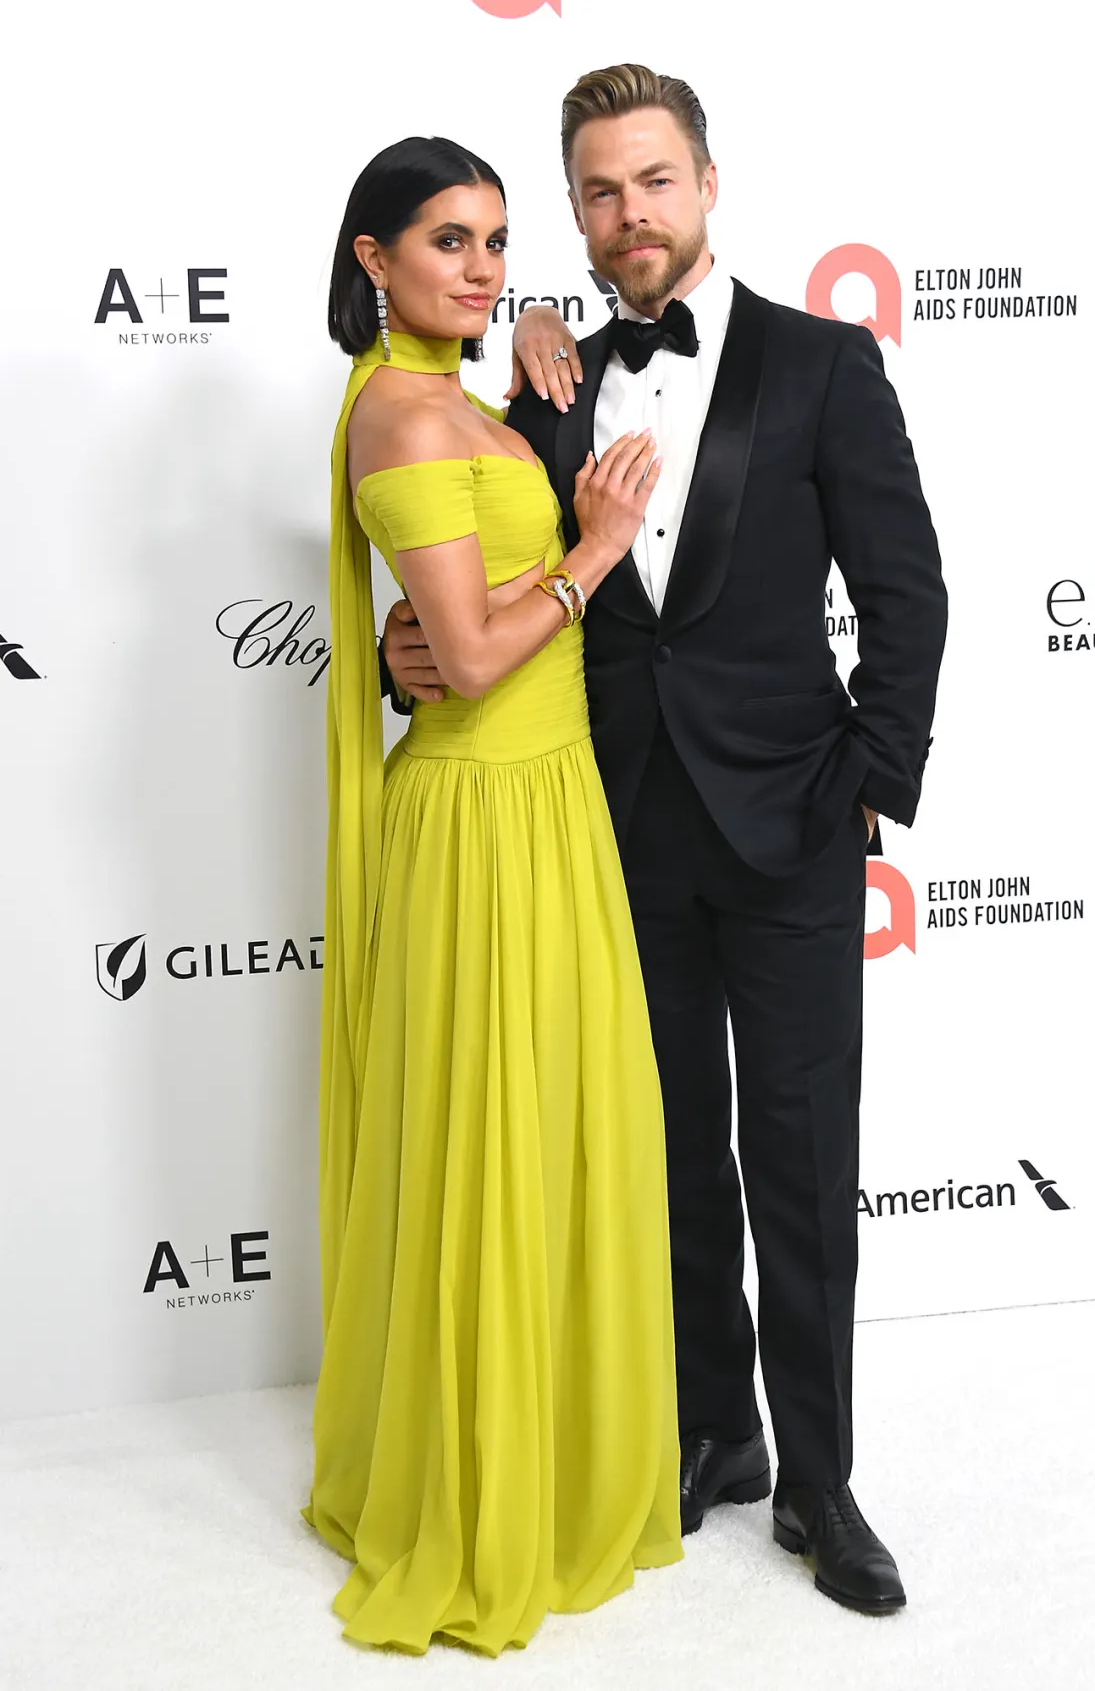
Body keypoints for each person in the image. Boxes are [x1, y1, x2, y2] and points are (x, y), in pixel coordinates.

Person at [384, 67, 948, 1617]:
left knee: (801, 1160)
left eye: (652, 180)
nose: (628, 213)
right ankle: (717, 1429)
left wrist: (868, 785)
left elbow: (907, 593)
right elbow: (480, 582)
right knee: (670, 1152)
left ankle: (823, 1482)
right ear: (576, 213)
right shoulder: (546, 387)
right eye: (598, 191)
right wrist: (397, 660)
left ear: (705, 183)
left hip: (791, 832)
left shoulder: (823, 363)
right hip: (612, 830)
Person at [302, 135, 682, 1657]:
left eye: (499, 241)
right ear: (373, 258)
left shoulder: (459, 397)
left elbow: (452, 624)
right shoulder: (400, 412)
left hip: (550, 801)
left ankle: (550, 1448)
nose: (480, 265)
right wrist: (595, 549)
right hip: (478, 823)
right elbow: (460, 658)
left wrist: (534, 349)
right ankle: (477, 1485)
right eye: (446, 240)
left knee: (549, 1135)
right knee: (488, 1146)